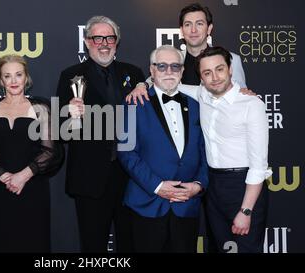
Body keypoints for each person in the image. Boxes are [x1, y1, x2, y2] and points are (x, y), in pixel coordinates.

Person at [55, 15, 145, 252]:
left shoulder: (135, 75)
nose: (104, 43)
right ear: (87, 41)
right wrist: (71, 115)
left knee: (131, 244)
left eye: (109, 37)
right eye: (97, 38)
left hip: (131, 178)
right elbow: (60, 131)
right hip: (89, 179)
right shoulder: (70, 76)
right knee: (93, 246)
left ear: (116, 41)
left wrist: (145, 85)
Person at [117, 45, 208, 252]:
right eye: (162, 66)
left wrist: (198, 185)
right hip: (146, 205)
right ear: (152, 70)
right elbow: (127, 153)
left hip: (187, 205)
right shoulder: (131, 104)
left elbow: (206, 154)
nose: (169, 71)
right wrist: (158, 186)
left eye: (175, 66)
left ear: (183, 71)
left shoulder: (197, 106)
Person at [0, 54, 63, 252]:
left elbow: (51, 150)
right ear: (0, 80)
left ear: (26, 77)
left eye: (18, 75)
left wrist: (23, 175)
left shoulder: (40, 107)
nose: (13, 81)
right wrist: (1, 174)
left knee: (33, 243)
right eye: (7, 76)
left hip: (32, 189)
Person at [195, 46, 270, 253]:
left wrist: (246, 211)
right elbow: (173, 85)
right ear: (201, 78)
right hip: (213, 187)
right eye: (207, 73)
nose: (215, 77)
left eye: (219, 69)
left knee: (244, 249)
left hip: (243, 188)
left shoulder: (251, 104)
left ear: (230, 69)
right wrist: (142, 83)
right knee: (220, 248)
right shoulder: (202, 94)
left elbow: (258, 166)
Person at [132, 2, 247, 106]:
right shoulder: (174, 59)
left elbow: (241, 96)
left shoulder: (230, 59)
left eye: (199, 24)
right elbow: (155, 78)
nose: (193, 30)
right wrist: (142, 85)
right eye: (188, 24)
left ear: (209, 29)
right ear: (181, 30)